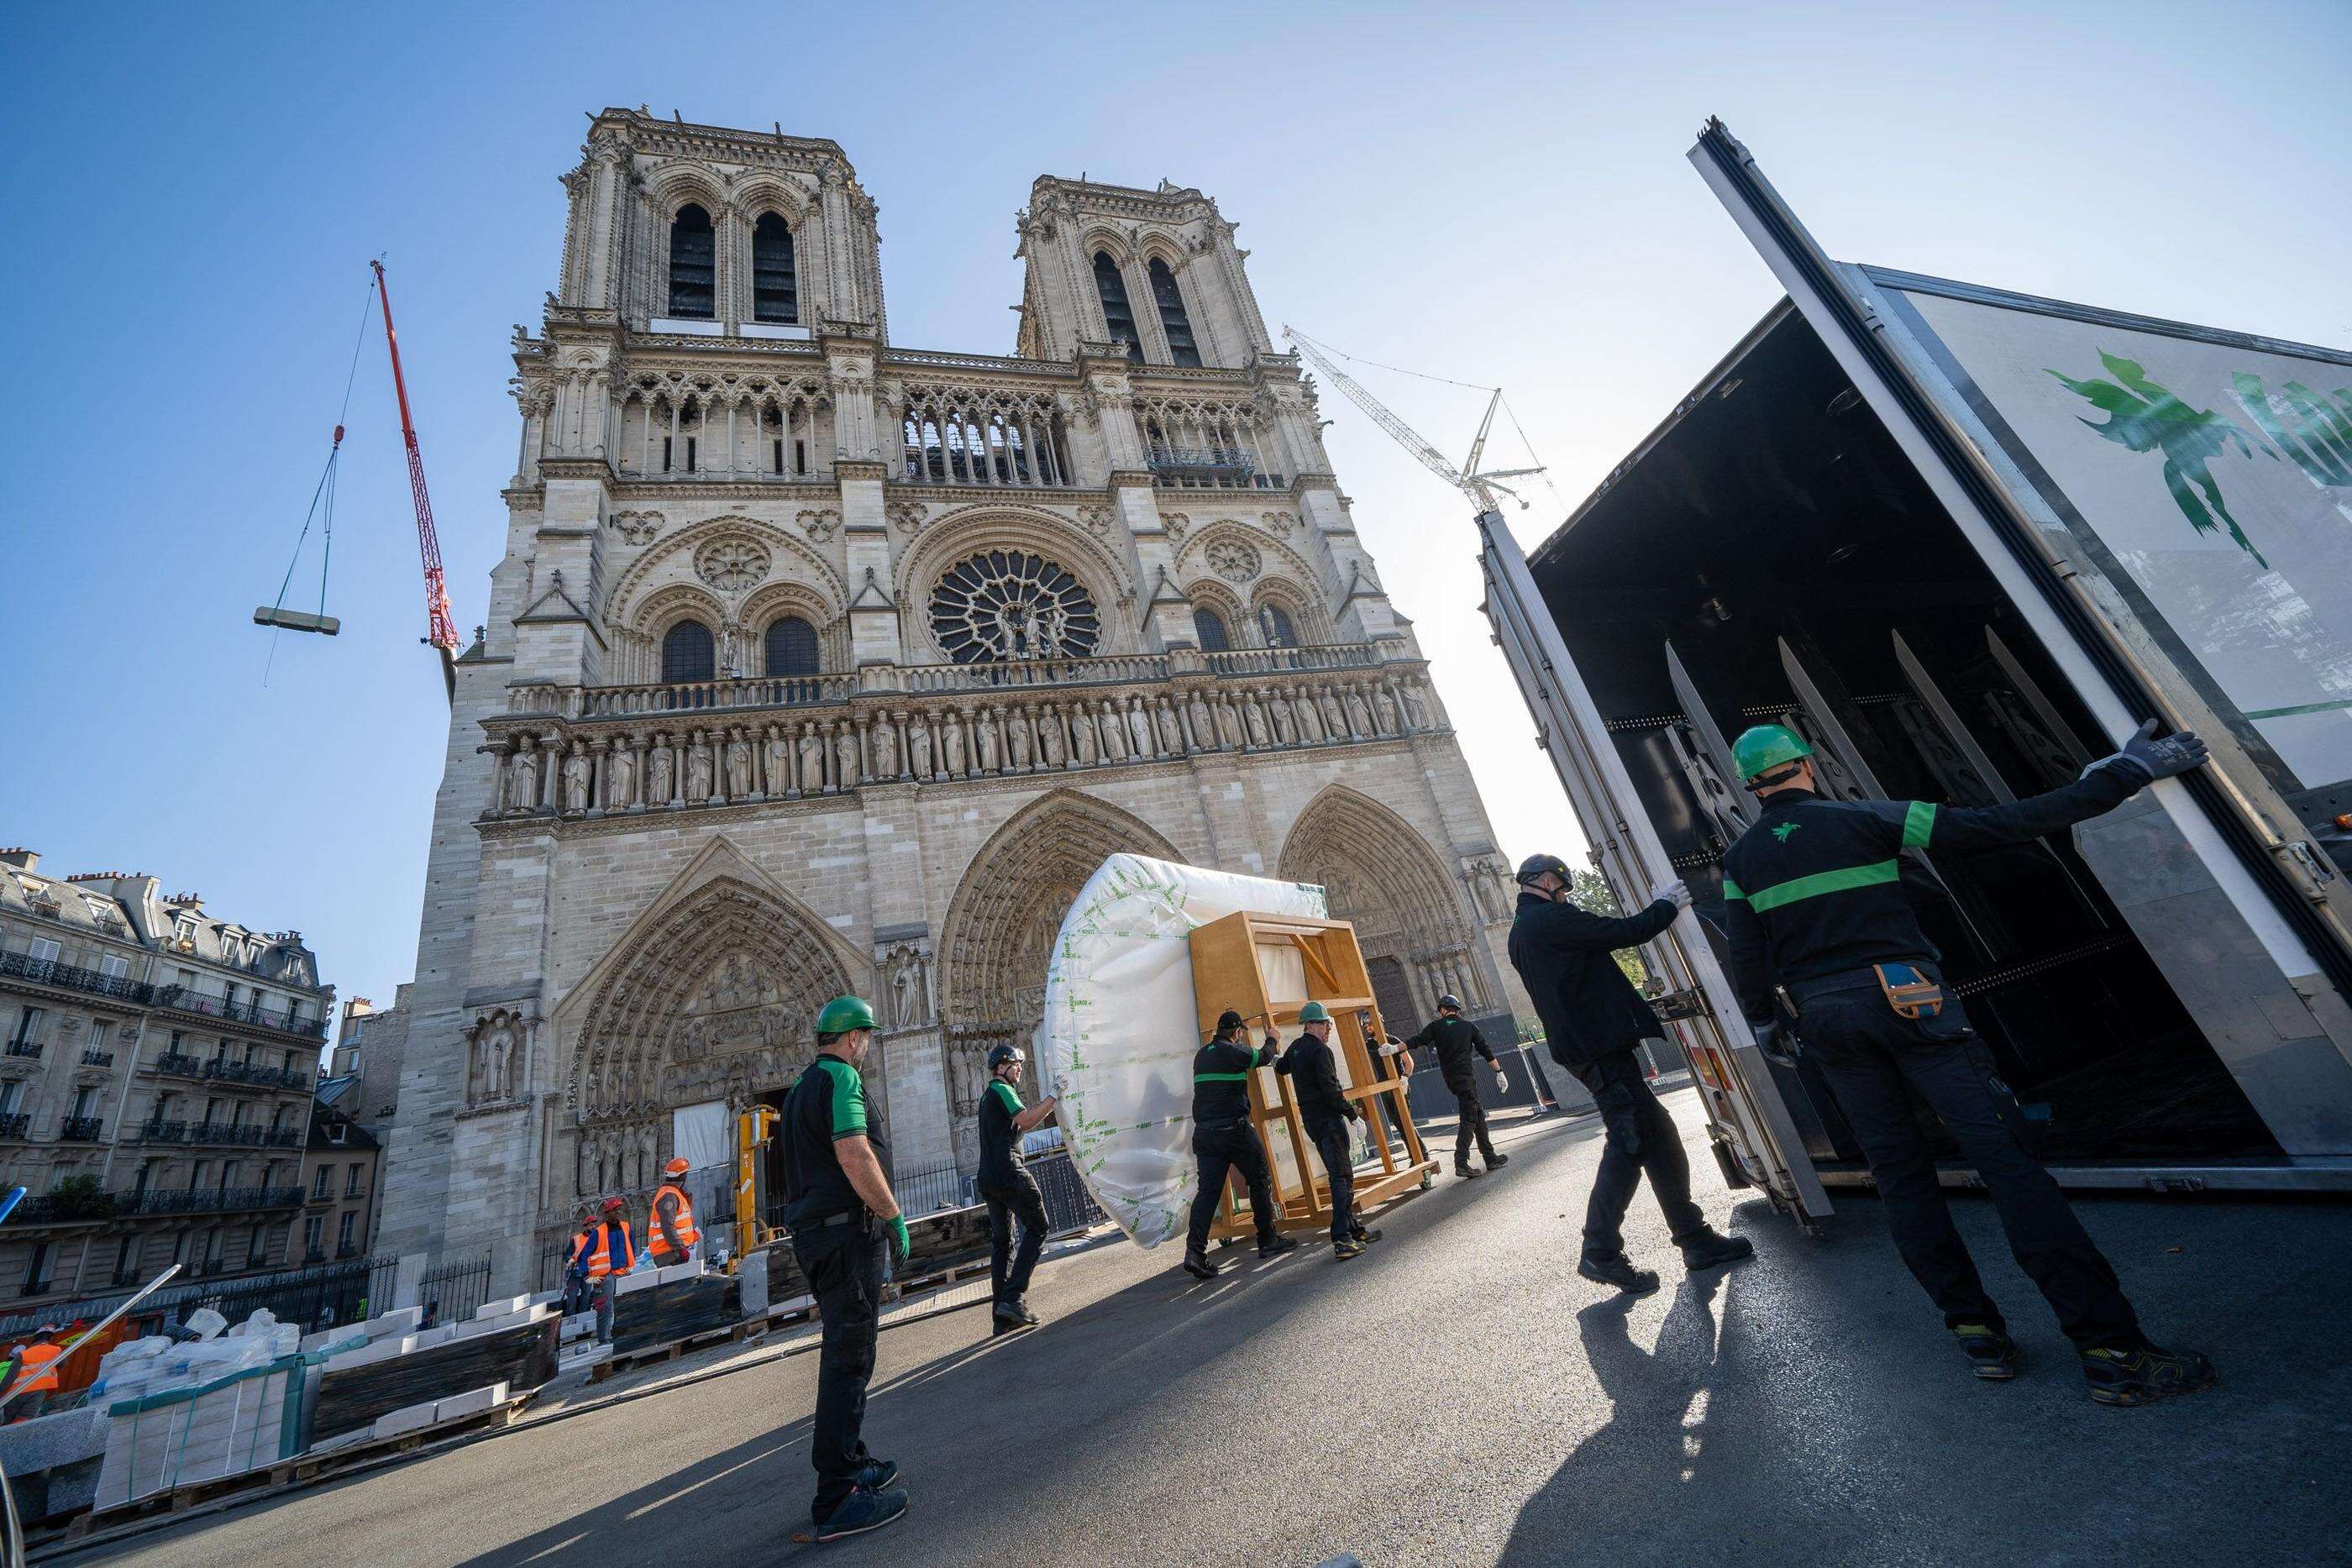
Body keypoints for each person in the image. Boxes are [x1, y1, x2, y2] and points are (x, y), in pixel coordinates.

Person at [1720, 720, 2218, 1406]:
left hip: (1825, 1020)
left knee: (1901, 1178)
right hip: (1910, 1003)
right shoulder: (1867, 818)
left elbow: (1747, 956)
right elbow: (2003, 824)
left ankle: (1976, 1333)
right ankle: (2113, 1351)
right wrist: (2126, 771)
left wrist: (1768, 1019)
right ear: (1806, 763)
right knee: (2007, 1165)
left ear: (1750, 784)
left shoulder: (1742, 861)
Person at [1509, 855, 1754, 1293]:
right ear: (1547, 881)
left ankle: (1694, 1238)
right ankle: (1600, 1252)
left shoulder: (1522, 931)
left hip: (1590, 1047)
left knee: (1657, 1134)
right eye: (1562, 887)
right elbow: (1624, 932)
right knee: (1629, 1141)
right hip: (1597, 1047)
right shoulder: (1550, 919)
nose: (1565, 895)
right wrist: (1664, 905)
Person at [780, 994, 910, 1539]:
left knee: (848, 1353)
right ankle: (836, 1495)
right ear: (854, 1036)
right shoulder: (842, 1079)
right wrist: (894, 1214)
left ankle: (852, 1463)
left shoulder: (799, 1090)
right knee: (849, 1358)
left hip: (816, 1234)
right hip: (843, 1232)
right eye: (868, 1037)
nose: (868, 1046)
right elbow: (854, 1152)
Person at [1182, 1009, 1299, 1280]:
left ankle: (1194, 1252)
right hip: (1233, 1130)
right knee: (1259, 1176)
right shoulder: (1234, 1052)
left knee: (1208, 1193)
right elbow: (1265, 1057)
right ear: (1236, 1033)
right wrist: (1272, 1038)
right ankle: (1267, 1238)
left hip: (1205, 1134)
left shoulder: (1203, 1055)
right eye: (1240, 1034)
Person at [1277, 1001, 1378, 1259]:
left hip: (1312, 1122)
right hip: (1329, 1121)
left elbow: (1281, 1067)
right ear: (1312, 1025)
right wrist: (1352, 1115)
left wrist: (1274, 1054)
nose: (1329, 1028)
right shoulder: (1321, 1051)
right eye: (1325, 1024)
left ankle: (1354, 1229)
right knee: (1342, 1177)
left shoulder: (1297, 1048)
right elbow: (1331, 1090)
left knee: (1338, 1173)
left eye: (1328, 1024)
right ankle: (1343, 1238)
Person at [977, 1043, 1059, 1329]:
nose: (1020, 1068)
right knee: (1039, 1228)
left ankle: (1002, 1316)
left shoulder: (987, 1096)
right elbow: (1026, 1121)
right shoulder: (1001, 1089)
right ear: (1001, 1067)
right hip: (1009, 1172)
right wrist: (1053, 1097)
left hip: (988, 1177)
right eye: (1016, 1064)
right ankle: (1013, 1298)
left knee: (1003, 1243)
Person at [1406, 995, 1509, 1178]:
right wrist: (1499, 1072)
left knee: (1478, 1115)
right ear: (1457, 1009)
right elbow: (1486, 1051)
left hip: (1452, 1079)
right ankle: (1461, 1162)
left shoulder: (1436, 1027)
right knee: (1469, 1118)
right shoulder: (1469, 1027)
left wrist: (1395, 1048)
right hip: (1466, 1079)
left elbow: (1417, 1040)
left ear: (1443, 1010)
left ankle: (1490, 1157)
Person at [580, 1197, 634, 1345]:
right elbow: (583, 1256)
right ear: (607, 1213)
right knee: (605, 1307)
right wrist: (587, 1276)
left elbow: (631, 1247)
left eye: (619, 1210)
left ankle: (619, 1334)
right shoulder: (599, 1232)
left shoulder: (626, 1227)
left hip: (623, 1272)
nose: (619, 1213)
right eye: (615, 1210)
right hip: (605, 1276)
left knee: (622, 1306)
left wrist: (630, 1265)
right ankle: (603, 1338)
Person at [648, 1157, 701, 1268]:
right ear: (681, 1176)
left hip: (671, 1252)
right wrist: (681, 1248)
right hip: (670, 1253)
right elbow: (668, 1226)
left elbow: (678, 1220)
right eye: (686, 1174)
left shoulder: (673, 1193)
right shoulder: (669, 1195)